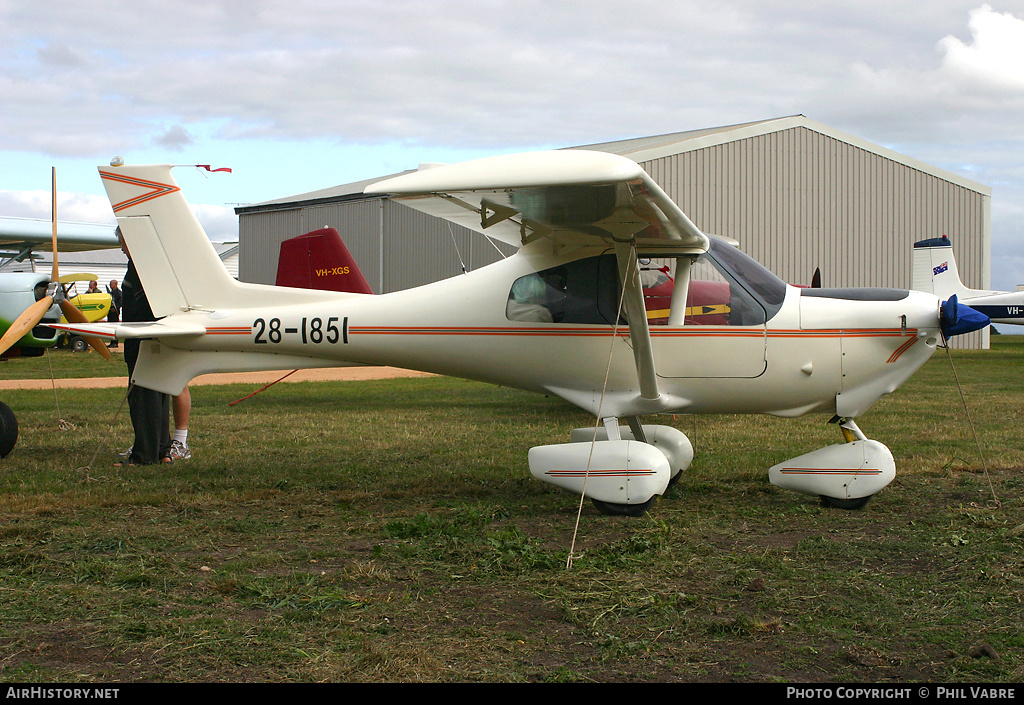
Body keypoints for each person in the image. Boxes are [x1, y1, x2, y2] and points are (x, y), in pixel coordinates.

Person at [114, 228, 171, 466]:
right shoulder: (155, 264)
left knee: (143, 397)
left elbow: (142, 307)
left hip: (142, 339)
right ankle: (161, 451)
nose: (122, 247)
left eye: (123, 242)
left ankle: (144, 456)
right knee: (159, 394)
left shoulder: (138, 266)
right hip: (160, 339)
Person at [106, 279, 121, 348]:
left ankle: (115, 343)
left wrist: (115, 308)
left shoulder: (119, 293)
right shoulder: (111, 293)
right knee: (110, 328)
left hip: (115, 313)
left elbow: (120, 303)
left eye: (111, 284)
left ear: (115, 284)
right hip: (110, 313)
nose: (110, 285)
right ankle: (112, 342)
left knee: (114, 328)